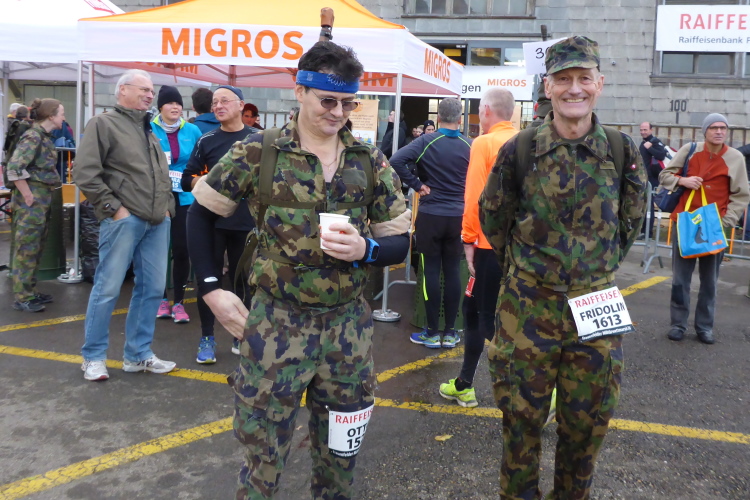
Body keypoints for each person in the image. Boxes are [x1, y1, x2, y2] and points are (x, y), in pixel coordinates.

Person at [187, 41, 410, 499]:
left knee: (340, 459)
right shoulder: (259, 150)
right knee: (263, 456)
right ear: (300, 91)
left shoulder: (368, 160)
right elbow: (202, 213)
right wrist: (211, 288)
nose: (338, 113)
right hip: (276, 325)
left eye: (348, 103)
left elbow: (400, 241)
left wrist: (367, 249)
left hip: (347, 329)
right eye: (328, 101)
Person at [480, 36, 647, 498]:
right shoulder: (520, 149)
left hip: (595, 307)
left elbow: (631, 223)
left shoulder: (621, 150)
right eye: (563, 79)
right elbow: (494, 219)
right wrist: (529, 273)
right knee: (520, 424)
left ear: (599, 84)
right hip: (527, 307)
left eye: (583, 78)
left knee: (587, 426)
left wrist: (592, 271)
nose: (574, 88)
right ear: (548, 87)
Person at [73, 69, 176, 382]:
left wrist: (167, 208)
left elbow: (160, 173)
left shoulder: (148, 128)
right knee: (107, 289)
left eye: (151, 90)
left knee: (152, 289)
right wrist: (114, 209)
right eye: (143, 89)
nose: (150, 95)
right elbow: (85, 171)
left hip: (156, 221)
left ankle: (138, 354)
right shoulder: (103, 123)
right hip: (125, 219)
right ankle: (93, 357)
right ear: (122, 91)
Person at [438, 88, 517, 406]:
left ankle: (535, 390)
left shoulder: (483, 143)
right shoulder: (524, 142)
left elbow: (474, 198)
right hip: (519, 247)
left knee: (483, 318)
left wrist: (468, 239)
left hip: (487, 245)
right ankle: (464, 382)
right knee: (487, 312)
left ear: (485, 110)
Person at [181, 85, 258, 364]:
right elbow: (186, 179)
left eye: (224, 100)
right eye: (215, 102)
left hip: (245, 225)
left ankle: (241, 335)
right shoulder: (207, 140)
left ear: (241, 105)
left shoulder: (256, 139)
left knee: (244, 283)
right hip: (211, 224)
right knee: (209, 282)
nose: (218, 106)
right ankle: (207, 337)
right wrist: (201, 183)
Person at [659, 113, 750, 344]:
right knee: (680, 279)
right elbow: (664, 175)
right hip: (685, 223)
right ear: (705, 131)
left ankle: (704, 327)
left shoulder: (735, 157)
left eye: (723, 128)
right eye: (714, 127)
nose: (719, 131)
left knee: (709, 281)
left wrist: (726, 222)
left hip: (714, 226)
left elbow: (741, 194)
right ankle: (678, 324)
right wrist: (682, 181)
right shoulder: (689, 150)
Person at [390, 98, 471, 349]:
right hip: (458, 216)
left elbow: (395, 161)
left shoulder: (426, 141)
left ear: (438, 118)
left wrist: (417, 185)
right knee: (453, 271)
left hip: (431, 215)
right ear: (460, 119)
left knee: (431, 272)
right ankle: (451, 332)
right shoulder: (469, 144)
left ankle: (433, 332)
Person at [6, 99, 65, 312]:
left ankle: (30, 290)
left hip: (41, 199)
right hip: (32, 201)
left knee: (36, 246)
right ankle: (23, 297)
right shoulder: (33, 137)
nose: (63, 118)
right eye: (61, 113)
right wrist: (28, 195)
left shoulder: (43, 137)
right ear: (51, 116)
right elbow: (14, 168)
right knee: (27, 247)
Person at [151, 85, 203, 324]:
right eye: (170, 103)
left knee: (182, 249)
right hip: (157, 196)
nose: (175, 107)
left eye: (178, 104)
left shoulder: (192, 130)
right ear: (160, 106)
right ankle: (161, 299)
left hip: (184, 197)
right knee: (159, 248)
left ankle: (179, 302)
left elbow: (201, 160)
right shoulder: (148, 128)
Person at [638, 121, 669, 239]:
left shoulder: (655, 142)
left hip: (651, 179)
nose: (643, 132)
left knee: (648, 206)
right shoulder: (644, 143)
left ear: (651, 130)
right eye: (641, 130)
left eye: (645, 130)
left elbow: (661, 155)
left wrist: (650, 148)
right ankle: (643, 231)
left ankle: (648, 233)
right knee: (644, 205)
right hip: (643, 178)